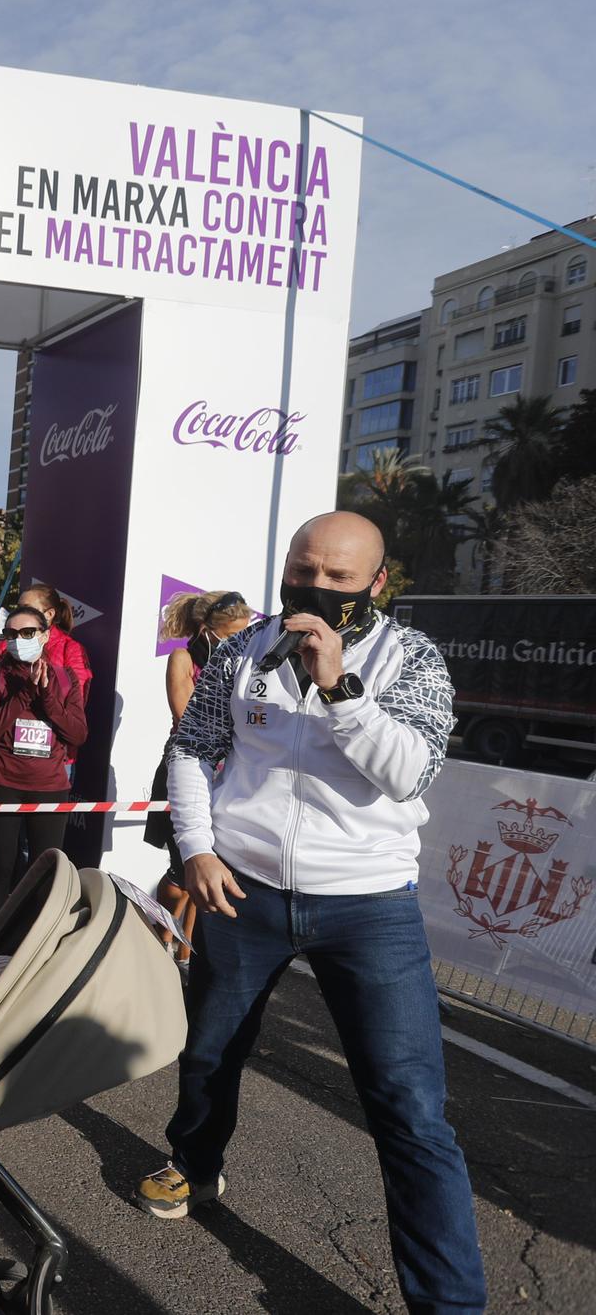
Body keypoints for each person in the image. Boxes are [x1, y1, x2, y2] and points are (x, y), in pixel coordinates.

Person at [138, 512, 486, 1313]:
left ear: (377, 583)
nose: (316, 588)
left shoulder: (411, 658)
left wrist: (339, 689)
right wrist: (196, 844)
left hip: (369, 905)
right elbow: (193, 746)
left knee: (409, 1106)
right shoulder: (244, 647)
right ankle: (194, 1162)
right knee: (208, 1053)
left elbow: (409, 773)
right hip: (245, 888)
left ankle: (450, 1303)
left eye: (338, 577)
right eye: (304, 569)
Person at [143, 589, 252, 959]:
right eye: (232, 633)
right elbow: (185, 717)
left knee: (208, 868)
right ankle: (161, 936)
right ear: (208, 629)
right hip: (186, 769)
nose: (239, 641)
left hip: (229, 774)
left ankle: (186, 953)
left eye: (245, 632)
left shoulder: (244, 666)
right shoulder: (183, 658)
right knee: (181, 869)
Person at [0, 604, 87, 927]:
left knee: (46, 870)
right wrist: (24, 693)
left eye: (27, 633)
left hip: (50, 787)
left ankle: (37, 944)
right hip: (2, 782)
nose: (18, 639)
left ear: (45, 635)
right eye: (11, 634)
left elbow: (77, 734)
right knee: (1, 866)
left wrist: (48, 695)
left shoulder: (65, 678)